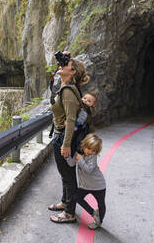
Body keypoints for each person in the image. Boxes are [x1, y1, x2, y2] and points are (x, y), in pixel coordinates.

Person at [48, 52, 90, 223]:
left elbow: (71, 120)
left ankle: (70, 213)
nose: (61, 65)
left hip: (64, 139)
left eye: (66, 64)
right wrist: (66, 57)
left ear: (72, 72)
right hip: (60, 136)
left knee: (68, 176)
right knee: (64, 174)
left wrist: (66, 145)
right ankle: (65, 203)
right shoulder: (66, 86)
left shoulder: (68, 92)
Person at [66, 133, 106, 229]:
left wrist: (80, 159)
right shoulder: (78, 154)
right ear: (84, 145)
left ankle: (99, 222)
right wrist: (67, 156)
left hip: (98, 185)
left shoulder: (93, 157)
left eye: (93, 150)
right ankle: (93, 213)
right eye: (88, 148)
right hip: (85, 186)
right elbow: (71, 164)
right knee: (76, 198)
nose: (90, 151)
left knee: (101, 204)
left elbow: (88, 169)